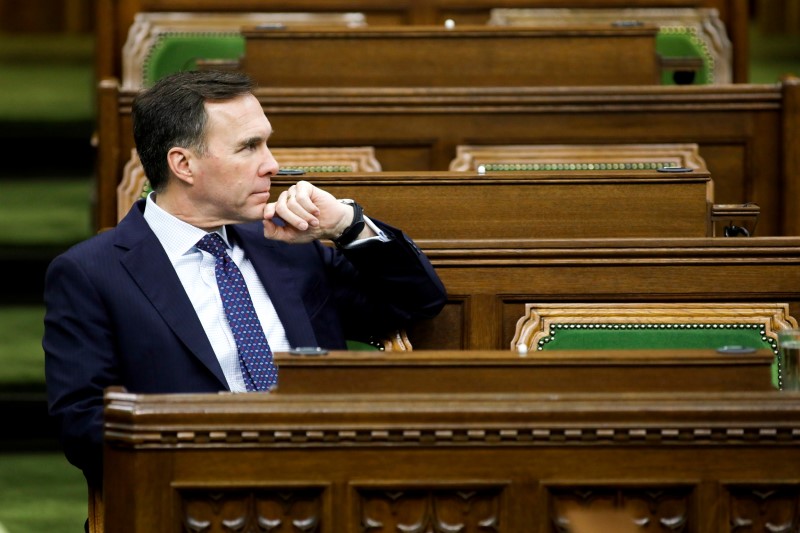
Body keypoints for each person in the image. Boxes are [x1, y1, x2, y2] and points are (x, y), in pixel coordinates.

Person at [42, 70, 447, 492]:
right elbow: (83, 427)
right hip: (195, 498)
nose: (271, 164)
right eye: (249, 147)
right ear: (183, 164)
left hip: (331, 487)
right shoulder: (92, 274)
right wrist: (227, 444)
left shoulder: (288, 244)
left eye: (266, 143)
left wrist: (347, 224)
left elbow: (417, 301)